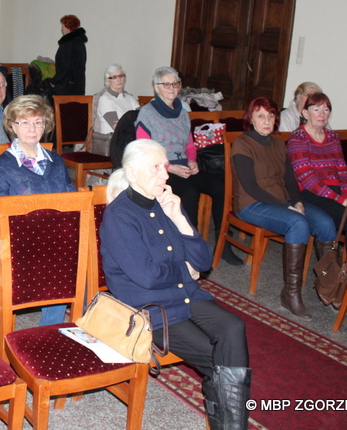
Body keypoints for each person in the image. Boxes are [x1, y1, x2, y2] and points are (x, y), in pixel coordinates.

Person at [101, 139, 250, 430]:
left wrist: (179, 218)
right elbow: (147, 276)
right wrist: (184, 269)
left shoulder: (164, 204)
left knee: (234, 328)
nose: (165, 175)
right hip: (151, 308)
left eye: (165, 167)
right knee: (217, 358)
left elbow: (204, 262)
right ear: (132, 173)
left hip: (184, 295)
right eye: (155, 168)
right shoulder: (119, 216)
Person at [232, 97, 337, 320]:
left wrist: (297, 202)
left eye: (271, 116)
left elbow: (290, 180)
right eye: (261, 116)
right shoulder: (242, 143)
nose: (267, 121)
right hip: (251, 204)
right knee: (297, 223)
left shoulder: (280, 144)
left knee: (326, 222)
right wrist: (287, 208)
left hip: (283, 201)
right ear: (251, 118)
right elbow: (250, 186)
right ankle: (291, 294)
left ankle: (330, 285)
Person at [0, 94, 75, 330]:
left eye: (38, 122)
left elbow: (72, 200)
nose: (32, 128)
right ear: (13, 126)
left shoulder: (56, 161)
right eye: (24, 122)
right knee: (55, 259)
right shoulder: (2, 165)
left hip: (56, 237)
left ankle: (62, 329)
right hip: (20, 241)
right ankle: (41, 331)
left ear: (46, 126)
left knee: (81, 252)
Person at [134, 67, 238, 264]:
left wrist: (192, 161)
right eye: (167, 84)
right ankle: (191, 247)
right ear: (156, 87)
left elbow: (189, 144)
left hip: (185, 166)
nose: (172, 88)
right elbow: (143, 150)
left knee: (221, 187)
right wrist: (169, 168)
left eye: (175, 84)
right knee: (189, 192)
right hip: (160, 170)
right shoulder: (147, 113)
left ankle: (224, 244)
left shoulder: (182, 111)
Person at [286, 93, 347, 258]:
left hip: (336, 193)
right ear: (305, 113)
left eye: (326, 109)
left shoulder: (332, 137)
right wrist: (340, 200)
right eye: (316, 109)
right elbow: (308, 179)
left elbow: (343, 171)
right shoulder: (298, 138)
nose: (322, 114)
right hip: (310, 193)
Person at [92, 64, 139, 156]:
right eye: (114, 77)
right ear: (107, 81)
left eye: (121, 76)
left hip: (130, 140)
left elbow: (142, 119)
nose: (119, 79)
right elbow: (117, 127)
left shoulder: (130, 98)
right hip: (113, 142)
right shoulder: (105, 99)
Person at [51, 15, 87, 96]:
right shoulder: (80, 43)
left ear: (68, 28)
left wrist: (54, 81)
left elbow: (65, 67)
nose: (61, 29)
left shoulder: (68, 44)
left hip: (66, 87)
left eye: (63, 27)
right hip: (78, 85)